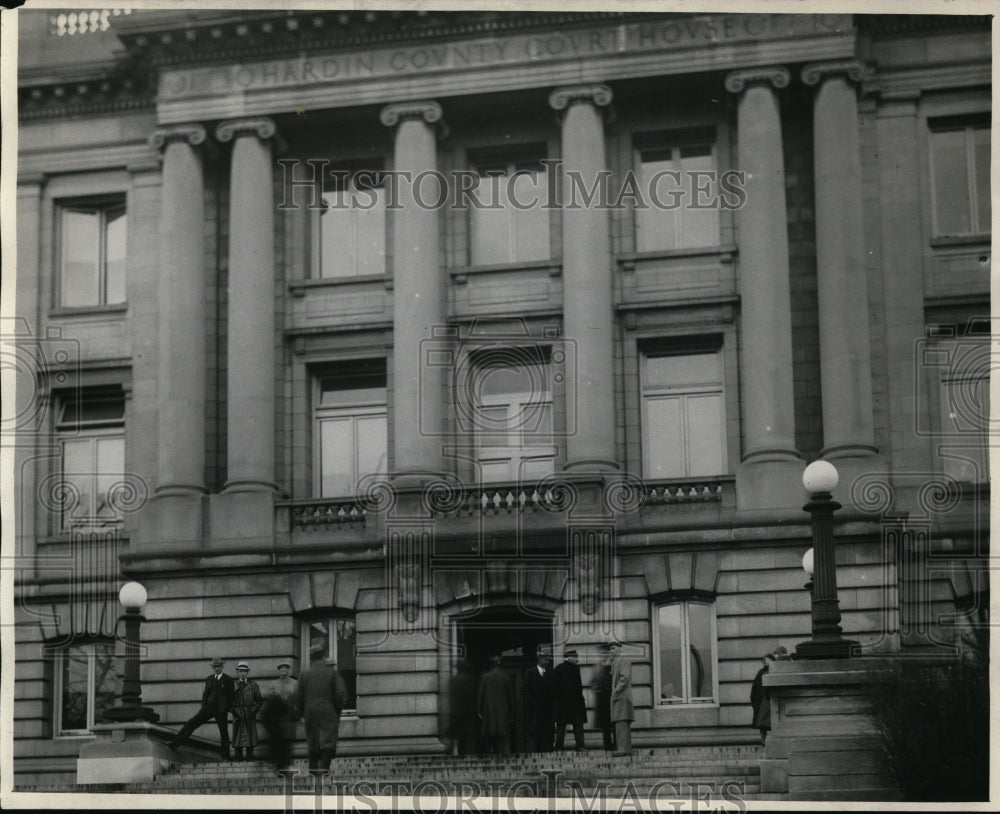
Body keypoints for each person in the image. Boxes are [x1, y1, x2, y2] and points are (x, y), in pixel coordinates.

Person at [168, 656, 235, 759]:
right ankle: (176, 742)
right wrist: (204, 705)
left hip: (220, 710)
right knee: (192, 722)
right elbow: (206, 693)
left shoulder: (228, 680)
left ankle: (225, 755)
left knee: (223, 731)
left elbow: (231, 697)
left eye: (218, 666)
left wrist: (225, 708)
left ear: (222, 667)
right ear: (213, 668)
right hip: (208, 707)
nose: (216, 669)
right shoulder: (209, 679)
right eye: (215, 667)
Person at [296, 642, 348, 772]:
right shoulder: (331, 673)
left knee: (313, 741)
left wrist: (302, 712)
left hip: (310, 712)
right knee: (328, 741)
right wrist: (337, 710)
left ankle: (313, 771)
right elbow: (340, 693)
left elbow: (298, 696)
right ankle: (324, 771)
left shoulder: (304, 674)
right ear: (323, 656)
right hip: (328, 711)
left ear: (311, 658)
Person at [262, 660, 298, 769]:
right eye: (281, 668)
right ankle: (279, 763)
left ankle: (287, 762)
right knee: (278, 742)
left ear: (288, 670)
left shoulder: (294, 683)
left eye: (285, 668)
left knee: (288, 741)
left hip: (289, 718)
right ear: (279, 670)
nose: (283, 670)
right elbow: (269, 700)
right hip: (277, 720)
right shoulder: (274, 684)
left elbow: (298, 699)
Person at [477, 654, 514, 755]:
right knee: (502, 734)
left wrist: (479, 711)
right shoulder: (506, 677)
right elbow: (510, 696)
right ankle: (502, 752)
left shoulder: (485, 677)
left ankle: (490, 751)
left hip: (488, 710)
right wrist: (511, 713)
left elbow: (481, 695)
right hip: (503, 710)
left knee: (490, 733)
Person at [552, 650, 587, 752]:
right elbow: (554, 688)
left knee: (564, 725)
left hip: (567, 703)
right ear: (569, 657)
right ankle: (578, 746)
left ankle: (559, 747)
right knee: (574, 725)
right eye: (575, 657)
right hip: (570, 703)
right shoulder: (566, 669)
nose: (577, 659)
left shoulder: (559, 668)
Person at [751, 646, 786, 745]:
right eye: (765, 660)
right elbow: (755, 689)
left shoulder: (777, 670)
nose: (766, 662)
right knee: (763, 724)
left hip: (771, 700)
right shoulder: (761, 672)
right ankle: (764, 741)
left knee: (773, 722)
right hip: (763, 701)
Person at [520, 651, 553, 752]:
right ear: (539, 660)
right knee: (534, 737)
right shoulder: (530, 673)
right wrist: (531, 702)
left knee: (546, 737)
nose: (547, 661)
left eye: (548, 659)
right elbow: (523, 690)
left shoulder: (550, 673)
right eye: (545, 659)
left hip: (547, 712)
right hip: (534, 712)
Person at [231, 661, 263, 760]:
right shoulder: (233, 685)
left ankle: (250, 756)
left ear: (247, 672)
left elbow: (259, 701)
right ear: (238, 672)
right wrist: (235, 711)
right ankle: (238, 756)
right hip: (238, 714)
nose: (242, 673)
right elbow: (229, 701)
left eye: (244, 671)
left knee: (250, 735)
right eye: (240, 671)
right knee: (238, 735)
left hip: (249, 713)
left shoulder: (253, 685)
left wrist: (252, 711)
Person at [446, 659, 477, 756]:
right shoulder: (469, 680)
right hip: (467, 711)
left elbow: (450, 696)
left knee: (458, 736)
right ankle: (469, 755)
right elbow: (472, 696)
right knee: (468, 736)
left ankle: (458, 754)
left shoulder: (453, 681)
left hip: (455, 711)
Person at [609, 641, 634, 756]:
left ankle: (622, 748)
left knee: (621, 723)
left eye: (613, 648)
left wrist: (616, 690)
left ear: (619, 648)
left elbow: (624, 676)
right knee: (621, 722)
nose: (611, 651)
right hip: (620, 697)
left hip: (621, 697)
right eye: (610, 649)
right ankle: (625, 748)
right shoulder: (616, 661)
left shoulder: (623, 659)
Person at [590, 644, 616, 752]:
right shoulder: (596, 667)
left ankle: (617, 745)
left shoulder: (614, 664)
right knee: (605, 726)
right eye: (601, 653)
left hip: (612, 698)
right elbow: (592, 682)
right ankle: (608, 747)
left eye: (605, 653)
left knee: (614, 723)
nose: (603, 655)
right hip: (601, 700)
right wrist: (596, 688)